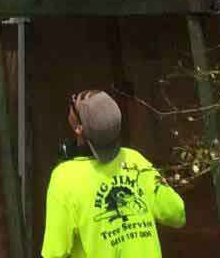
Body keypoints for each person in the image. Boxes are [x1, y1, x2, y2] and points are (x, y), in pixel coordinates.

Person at [42, 90, 186, 258]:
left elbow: (54, 252)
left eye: (74, 104)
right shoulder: (135, 160)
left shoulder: (64, 178)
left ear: (79, 128)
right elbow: (177, 213)